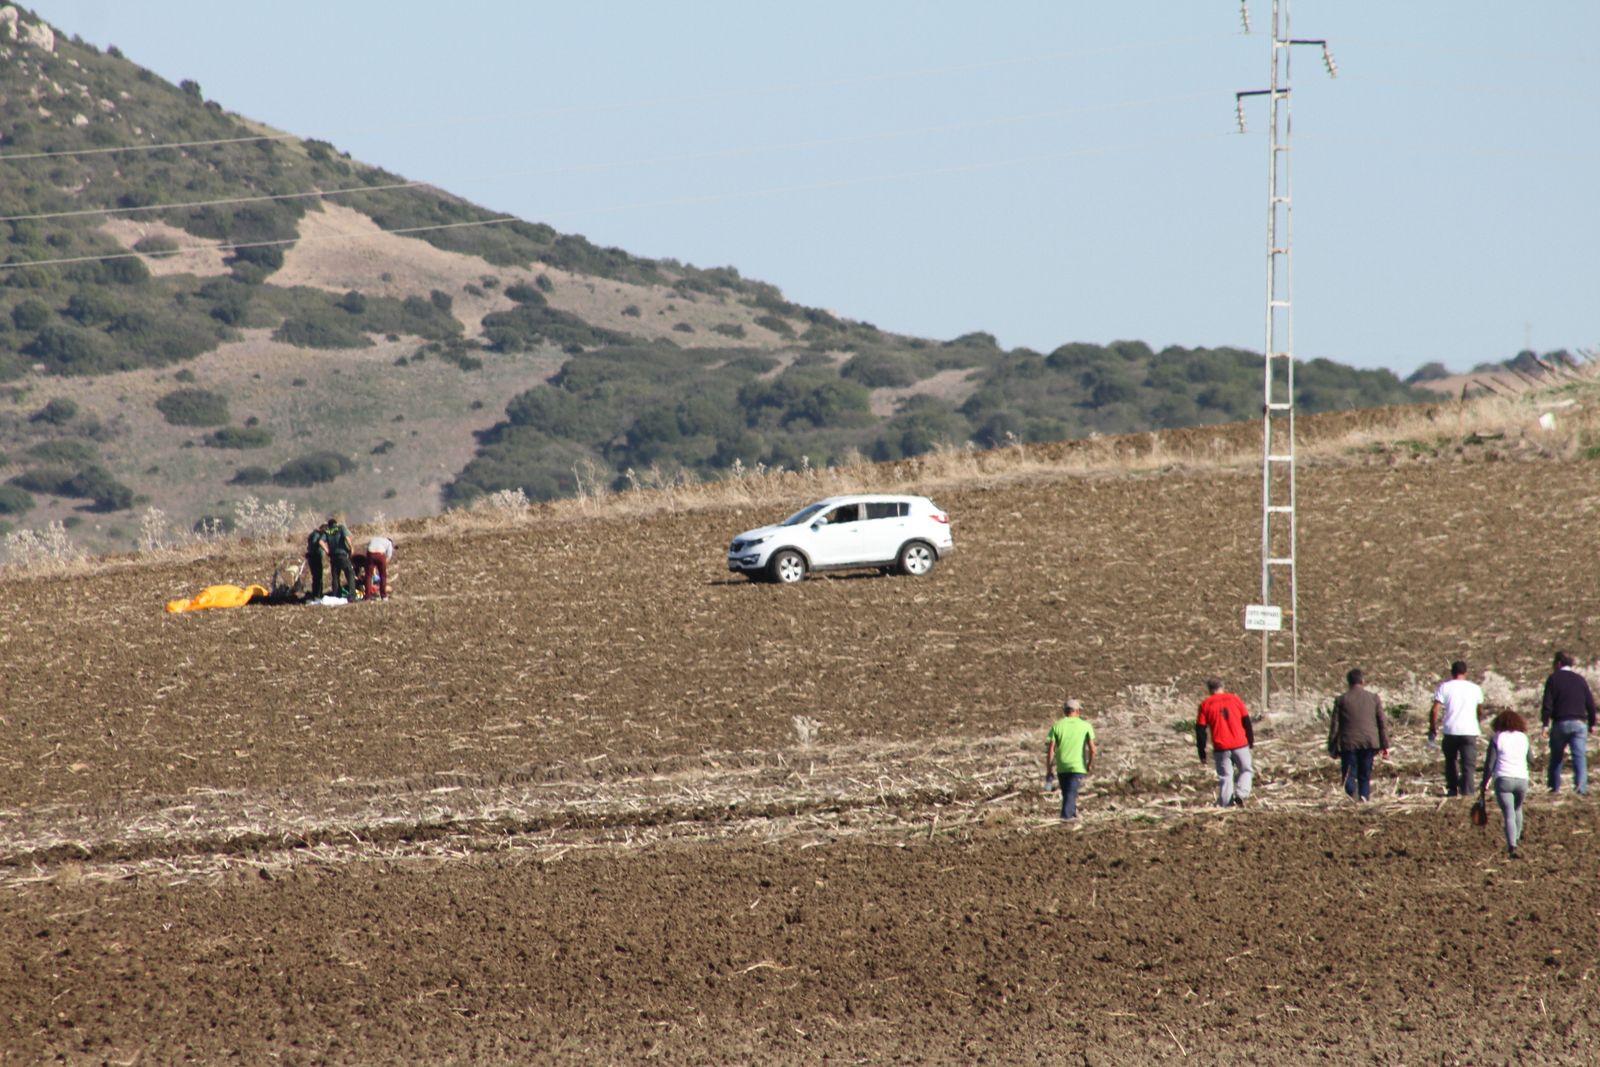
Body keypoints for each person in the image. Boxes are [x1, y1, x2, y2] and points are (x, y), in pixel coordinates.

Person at [1327, 668, 1389, 802]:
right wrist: (1384, 745)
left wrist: (1332, 747)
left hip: (1348, 743)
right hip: (1369, 742)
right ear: (1363, 681)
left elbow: (1335, 726)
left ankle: (1352, 796)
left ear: (1348, 682)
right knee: (1365, 775)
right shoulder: (1374, 698)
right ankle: (1364, 798)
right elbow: (1382, 723)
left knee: (1349, 774)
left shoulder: (1341, 700)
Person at [1540, 649, 1595, 796]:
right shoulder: (1580, 679)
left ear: (1558, 663)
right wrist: (1592, 723)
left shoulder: (1553, 679)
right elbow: (1590, 703)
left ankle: (1554, 788)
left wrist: (1545, 724)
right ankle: (1581, 789)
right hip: (1579, 723)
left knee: (1557, 757)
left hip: (1561, 723)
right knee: (1579, 757)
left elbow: (1547, 704)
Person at [1479, 710, 1531, 858]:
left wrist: (1484, 783)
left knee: (1508, 813)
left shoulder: (1497, 738)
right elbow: (1531, 759)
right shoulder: (1523, 738)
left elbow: (1490, 764)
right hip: (1522, 778)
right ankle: (1517, 838)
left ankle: (1512, 846)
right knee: (1518, 808)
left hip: (1503, 779)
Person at [1429, 660, 1484, 797]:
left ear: (1452, 672)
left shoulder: (1445, 687)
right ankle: (1468, 792)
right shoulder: (1475, 688)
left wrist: (1433, 727)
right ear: (1466, 672)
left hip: (1451, 730)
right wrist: (1477, 721)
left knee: (1451, 761)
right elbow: (1480, 709)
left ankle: (1452, 790)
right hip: (1469, 730)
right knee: (1468, 764)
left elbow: (1435, 710)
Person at [1196, 678, 1254, 808]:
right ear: (1223, 687)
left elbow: (1200, 731)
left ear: (1209, 690)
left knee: (1226, 777)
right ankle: (1241, 794)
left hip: (1220, 747)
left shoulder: (1205, 704)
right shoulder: (1235, 699)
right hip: (1240, 744)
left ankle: (1226, 806)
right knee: (1246, 770)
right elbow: (1246, 721)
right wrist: (1250, 740)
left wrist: (1202, 752)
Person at [1044, 698, 1098, 820]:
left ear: (1065, 711)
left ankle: (1072, 813)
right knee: (1071, 792)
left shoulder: (1057, 726)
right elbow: (1093, 749)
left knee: (1067, 793)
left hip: (1062, 765)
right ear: (1078, 711)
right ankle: (1066, 818)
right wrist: (1089, 763)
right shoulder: (1086, 726)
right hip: (1078, 765)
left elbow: (1051, 749)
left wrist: (1049, 768)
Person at [324, 514, 356, 601]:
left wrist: (327, 551)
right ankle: (352, 595)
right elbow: (346, 537)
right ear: (336, 524)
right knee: (350, 573)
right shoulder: (340, 528)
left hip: (333, 556)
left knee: (335, 576)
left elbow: (320, 541)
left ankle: (336, 596)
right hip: (342, 555)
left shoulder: (327, 531)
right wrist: (351, 547)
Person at [362, 534, 395, 600]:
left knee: (368, 576)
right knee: (383, 576)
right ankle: (383, 595)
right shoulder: (389, 543)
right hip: (380, 555)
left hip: (370, 553)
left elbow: (368, 549)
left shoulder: (374, 539)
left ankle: (367, 596)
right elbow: (389, 555)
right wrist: (383, 565)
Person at [303, 522, 328, 600]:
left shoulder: (313, 534)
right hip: (315, 557)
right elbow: (315, 544)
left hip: (312, 557)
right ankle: (317, 594)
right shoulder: (316, 535)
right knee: (318, 577)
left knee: (316, 577)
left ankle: (318, 594)